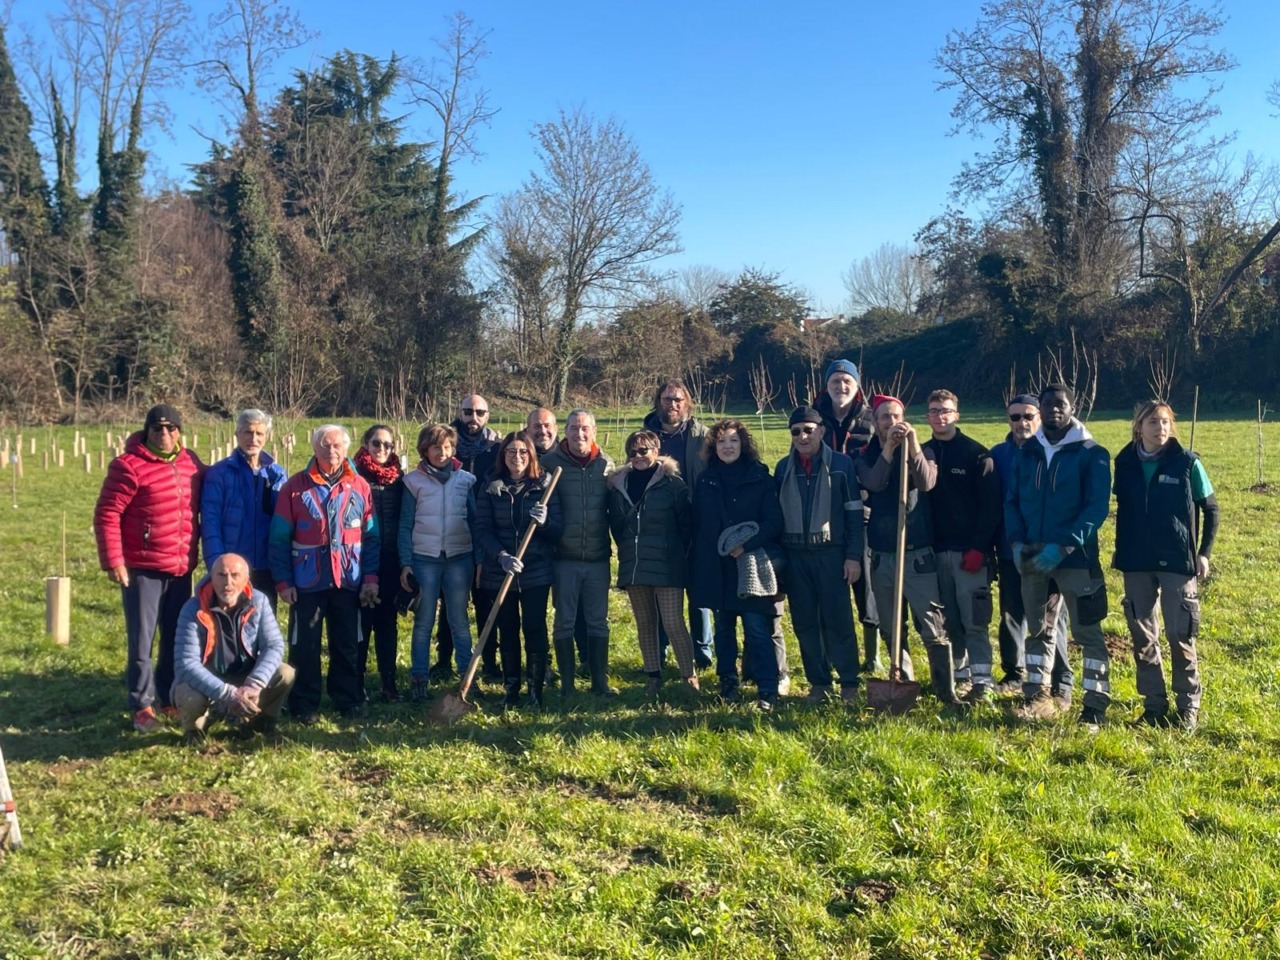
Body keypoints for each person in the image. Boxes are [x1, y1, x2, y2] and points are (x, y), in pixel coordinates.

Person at [1005, 384, 1112, 731]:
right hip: (1032, 557)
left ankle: (1094, 707)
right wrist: (1017, 542)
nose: (1053, 410)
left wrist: (1064, 546)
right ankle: (1037, 696)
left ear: (1073, 406)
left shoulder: (1092, 453)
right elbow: (1012, 501)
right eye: (1047, 404)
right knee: (1037, 629)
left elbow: (1095, 509)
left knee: (1087, 633)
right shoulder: (1026, 452)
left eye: (1060, 404)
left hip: (1075, 558)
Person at [94, 403, 205, 733]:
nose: (165, 434)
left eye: (172, 428)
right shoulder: (128, 467)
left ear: (180, 431)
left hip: (180, 566)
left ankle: (169, 697)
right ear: (147, 431)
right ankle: (141, 705)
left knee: (175, 636)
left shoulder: (192, 465)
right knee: (142, 641)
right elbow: (107, 514)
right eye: (158, 428)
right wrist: (114, 560)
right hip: (142, 567)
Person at [1113, 400, 1219, 731]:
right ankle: (1154, 706)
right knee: (1143, 636)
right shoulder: (1125, 462)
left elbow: (1211, 509)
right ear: (1138, 427)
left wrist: (1203, 553)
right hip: (1136, 561)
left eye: (1165, 422)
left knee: (1179, 633)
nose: (1161, 428)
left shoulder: (1187, 463)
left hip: (1177, 560)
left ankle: (1188, 707)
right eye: (1153, 422)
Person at [269, 424, 380, 723]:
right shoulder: (294, 488)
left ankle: (348, 699)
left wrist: (370, 578)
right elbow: (279, 539)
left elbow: (371, 538)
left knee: (347, 644)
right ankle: (304, 704)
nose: (331, 451)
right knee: (304, 645)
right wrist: (283, 581)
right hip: (307, 583)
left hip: (348, 580)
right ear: (314, 449)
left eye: (336, 446)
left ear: (346, 449)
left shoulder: (360, 487)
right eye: (324, 445)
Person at [855, 395, 960, 705]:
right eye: (884, 417)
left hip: (917, 555)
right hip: (883, 555)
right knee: (890, 625)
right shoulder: (864, 455)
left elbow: (927, 483)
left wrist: (912, 446)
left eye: (896, 416)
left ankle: (945, 689)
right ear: (875, 423)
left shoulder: (924, 451)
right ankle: (903, 681)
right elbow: (873, 483)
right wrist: (888, 450)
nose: (891, 422)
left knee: (932, 624)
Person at [690, 419, 785, 710]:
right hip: (717, 568)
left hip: (751, 566)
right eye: (721, 441)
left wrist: (746, 545)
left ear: (743, 444)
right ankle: (727, 682)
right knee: (723, 630)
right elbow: (700, 524)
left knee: (757, 628)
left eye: (733, 440)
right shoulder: (706, 480)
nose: (727, 446)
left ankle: (767, 688)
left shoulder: (760, 478)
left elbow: (773, 522)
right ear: (712, 447)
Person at [774, 406, 863, 703]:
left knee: (838, 620)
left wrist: (853, 556)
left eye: (808, 430)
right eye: (796, 431)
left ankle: (849, 681)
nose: (802, 436)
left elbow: (854, 514)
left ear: (821, 431)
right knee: (804, 622)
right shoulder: (783, 467)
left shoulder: (841, 464)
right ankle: (819, 682)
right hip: (796, 554)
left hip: (832, 554)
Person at [989, 395, 1073, 706]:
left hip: (1049, 551)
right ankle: (1014, 673)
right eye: (1015, 417)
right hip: (1011, 549)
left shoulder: (1055, 452)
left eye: (1028, 416)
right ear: (1007, 419)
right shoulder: (997, 455)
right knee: (1011, 612)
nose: (1022, 422)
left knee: (1052, 619)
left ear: (1039, 418)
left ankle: (1060, 679)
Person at [922, 390, 1001, 703]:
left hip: (970, 554)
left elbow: (991, 507)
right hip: (935, 552)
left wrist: (979, 548)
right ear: (927, 416)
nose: (940, 416)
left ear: (957, 415)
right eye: (934, 411)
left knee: (975, 621)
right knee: (950, 621)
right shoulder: (922, 453)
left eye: (946, 410)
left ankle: (982, 682)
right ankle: (959, 678)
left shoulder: (977, 455)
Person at [474, 430, 563, 707]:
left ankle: (535, 693)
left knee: (534, 628)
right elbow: (482, 529)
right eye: (511, 452)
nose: (517, 457)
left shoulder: (545, 485)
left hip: (535, 570)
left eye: (523, 452)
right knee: (507, 629)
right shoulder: (492, 486)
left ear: (531, 455)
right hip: (500, 572)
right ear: (503, 455)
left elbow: (557, 531)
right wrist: (500, 556)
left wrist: (545, 521)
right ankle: (511, 691)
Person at [608, 429, 698, 695]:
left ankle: (688, 675)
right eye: (633, 452)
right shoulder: (618, 485)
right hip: (634, 565)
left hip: (668, 565)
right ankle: (653, 676)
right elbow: (615, 524)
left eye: (644, 450)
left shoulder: (673, 485)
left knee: (672, 622)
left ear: (656, 451)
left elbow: (686, 526)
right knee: (645, 623)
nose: (638, 456)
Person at [172, 553, 296, 739]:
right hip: (207, 683)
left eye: (235, 575)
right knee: (191, 698)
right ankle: (195, 731)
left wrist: (255, 684)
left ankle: (260, 723)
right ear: (211, 578)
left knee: (285, 674)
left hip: (245, 677)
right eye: (221, 575)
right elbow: (186, 664)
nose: (227, 582)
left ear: (246, 579)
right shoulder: (192, 609)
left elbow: (274, 645)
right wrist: (226, 693)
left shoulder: (259, 601)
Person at [813, 358, 883, 674]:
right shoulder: (814, 420)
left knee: (866, 586)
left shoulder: (870, 420)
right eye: (835, 381)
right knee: (829, 587)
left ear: (856, 387)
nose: (841, 387)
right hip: (824, 515)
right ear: (826, 386)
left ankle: (873, 656)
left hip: (865, 514)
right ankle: (832, 654)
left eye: (847, 382)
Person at [541, 409, 617, 697]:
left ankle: (600, 682)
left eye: (585, 428)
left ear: (594, 431)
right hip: (565, 558)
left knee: (598, 621)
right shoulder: (550, 464)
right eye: (574, 428)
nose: (579, 434)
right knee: (565, 621)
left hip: (598, 557)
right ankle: (568, 686)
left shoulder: (605, 465)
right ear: (566, 431)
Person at [399, 423, 477, 702]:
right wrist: (406, 562)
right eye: (436, 448)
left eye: (447, 447)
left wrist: (477, 560)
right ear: (425, 450)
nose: (442, 453)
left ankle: (467, 675)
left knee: (459, 620)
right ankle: (419, 676)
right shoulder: (412, 482)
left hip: (459, 558)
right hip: (425, 558)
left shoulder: (466, 480)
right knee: (424, 621)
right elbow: (406, 524)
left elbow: (475, 520)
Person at [642, 378, 714, 669]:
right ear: (658, 401)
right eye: (667, 398)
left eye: (678, 400)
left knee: (698, 589)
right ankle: (661, 650)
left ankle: (702, 651)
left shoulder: (702, 436)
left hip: (695, 520)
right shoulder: (644, 437)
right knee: (661, 590)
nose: (672, 404)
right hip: (659, 524)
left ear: (687, 404)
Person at [433, 394, 501, 681]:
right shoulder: (447, 444)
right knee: (451, 600)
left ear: (487, 415)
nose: (473, 417)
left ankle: (490, 661)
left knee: (487, 599)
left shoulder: (496, 448)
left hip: (487, 529)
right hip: (452, 528)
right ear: (459, 413)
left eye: (480, 412)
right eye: (468, 411)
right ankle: (444, 659)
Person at [200, 408, 287, 607]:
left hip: (266, 567)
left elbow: (283, 523)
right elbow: (210, 522)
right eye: (248, 432)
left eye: (259, 433)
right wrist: (217, 565)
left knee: (262, 628)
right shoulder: (219, 474)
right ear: (237, 434)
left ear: (267, 436)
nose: (253, 439)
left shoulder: (277, 474)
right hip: (232, 568)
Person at [354, 424, 405, 702]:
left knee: (387, 622)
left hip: (391, 560)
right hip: (360, 559)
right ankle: (357, 683)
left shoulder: (400, 480)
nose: (382, 449)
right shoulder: (353, 476)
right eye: (376, 443)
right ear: (366, 444)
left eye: (387, 444)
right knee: (362, 621)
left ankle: (389, 683)